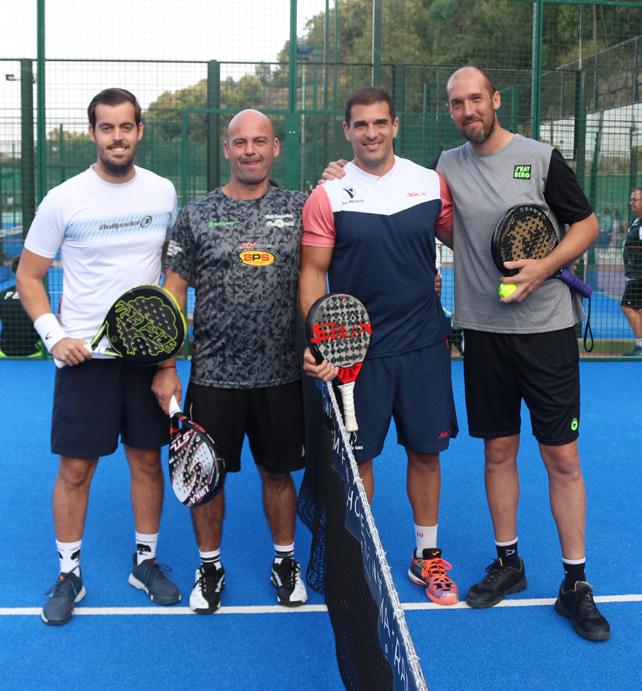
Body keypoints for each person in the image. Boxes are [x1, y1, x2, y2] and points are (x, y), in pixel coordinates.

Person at [436, 66, 609, 640]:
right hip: (483, 332)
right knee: (498, 451)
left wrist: (543, 267)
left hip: (546, 331)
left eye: (476, 99)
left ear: (496, 100)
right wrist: (340, 174)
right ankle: (508, 562)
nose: (468, 111)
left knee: (562, 457)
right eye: (457, 103)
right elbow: (414, 207)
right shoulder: (445, 167)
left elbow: (585, 225)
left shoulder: (539, 158)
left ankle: (575, 583)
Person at [16, 88, 181, 626]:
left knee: (147, 462)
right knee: (76, 469)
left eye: (126, 127)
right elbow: (28, 276)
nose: (117, 137)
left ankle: (145, 562)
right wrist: (53, 335)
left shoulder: (162, 192)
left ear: (139, 131)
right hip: (85, 360)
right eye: (106, 128)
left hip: (145, 357)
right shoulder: (63, 199)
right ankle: (69, 573)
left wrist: (166, 361)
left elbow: (170, 275)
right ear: (93, 133)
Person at [299, 87, 460, 606]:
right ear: (347, 130)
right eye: (360, 124)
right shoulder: (328, 195)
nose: (371, 133)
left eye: (380, 123)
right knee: (359, 460)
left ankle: (426, 556)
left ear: (395, 126)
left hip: (423, 344)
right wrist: (322, 341)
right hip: (357, 353)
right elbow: (312, 274)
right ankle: (360, 557)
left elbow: (459, 238)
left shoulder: (429, 183)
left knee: (426, 452)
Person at [152, 109, 308, 614]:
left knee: (278, 474)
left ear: (275, 147)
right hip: (214, 376)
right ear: (226, 149)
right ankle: (210, 566)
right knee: (205, 477)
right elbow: (173, 293)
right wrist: (166, 367)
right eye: (240, 142)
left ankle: (285, 561)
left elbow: (327, 266)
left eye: (260, 141)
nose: (250, 150)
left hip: (282, 376)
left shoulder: (300, 208)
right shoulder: (197, 215)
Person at [0, 257, 41, 357]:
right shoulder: (40, 295)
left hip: (5, 352)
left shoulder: (2, 294)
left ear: (14, 271)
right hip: (34, 352)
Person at [621, 188, 642, 356]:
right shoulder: (636, 221)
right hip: (635, 274)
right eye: (631, 200)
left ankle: (640, 346)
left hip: (639, 276)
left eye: (635, 200)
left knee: (626, 307)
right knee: (639, 308)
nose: (632, 203)